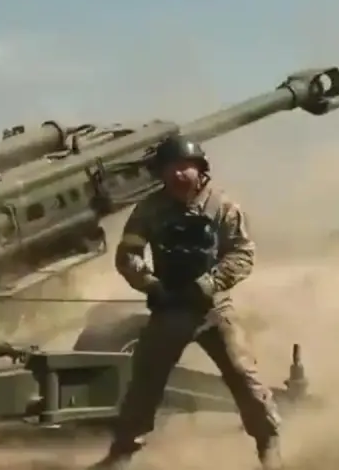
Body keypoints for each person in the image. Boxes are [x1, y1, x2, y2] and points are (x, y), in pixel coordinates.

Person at [90, 136, 283, 470]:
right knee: (145, 382)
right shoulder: (150, 209)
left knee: (243, 375)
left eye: (185, 167)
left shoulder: (222, 207)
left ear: (200, 169)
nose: (178, 174)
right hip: (169, 307)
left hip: (212, 308)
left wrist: (209, 283)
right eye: (171, 168)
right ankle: (121, 454)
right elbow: (128, 254)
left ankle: (268, 445)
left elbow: (242, 254)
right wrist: (149, 284)